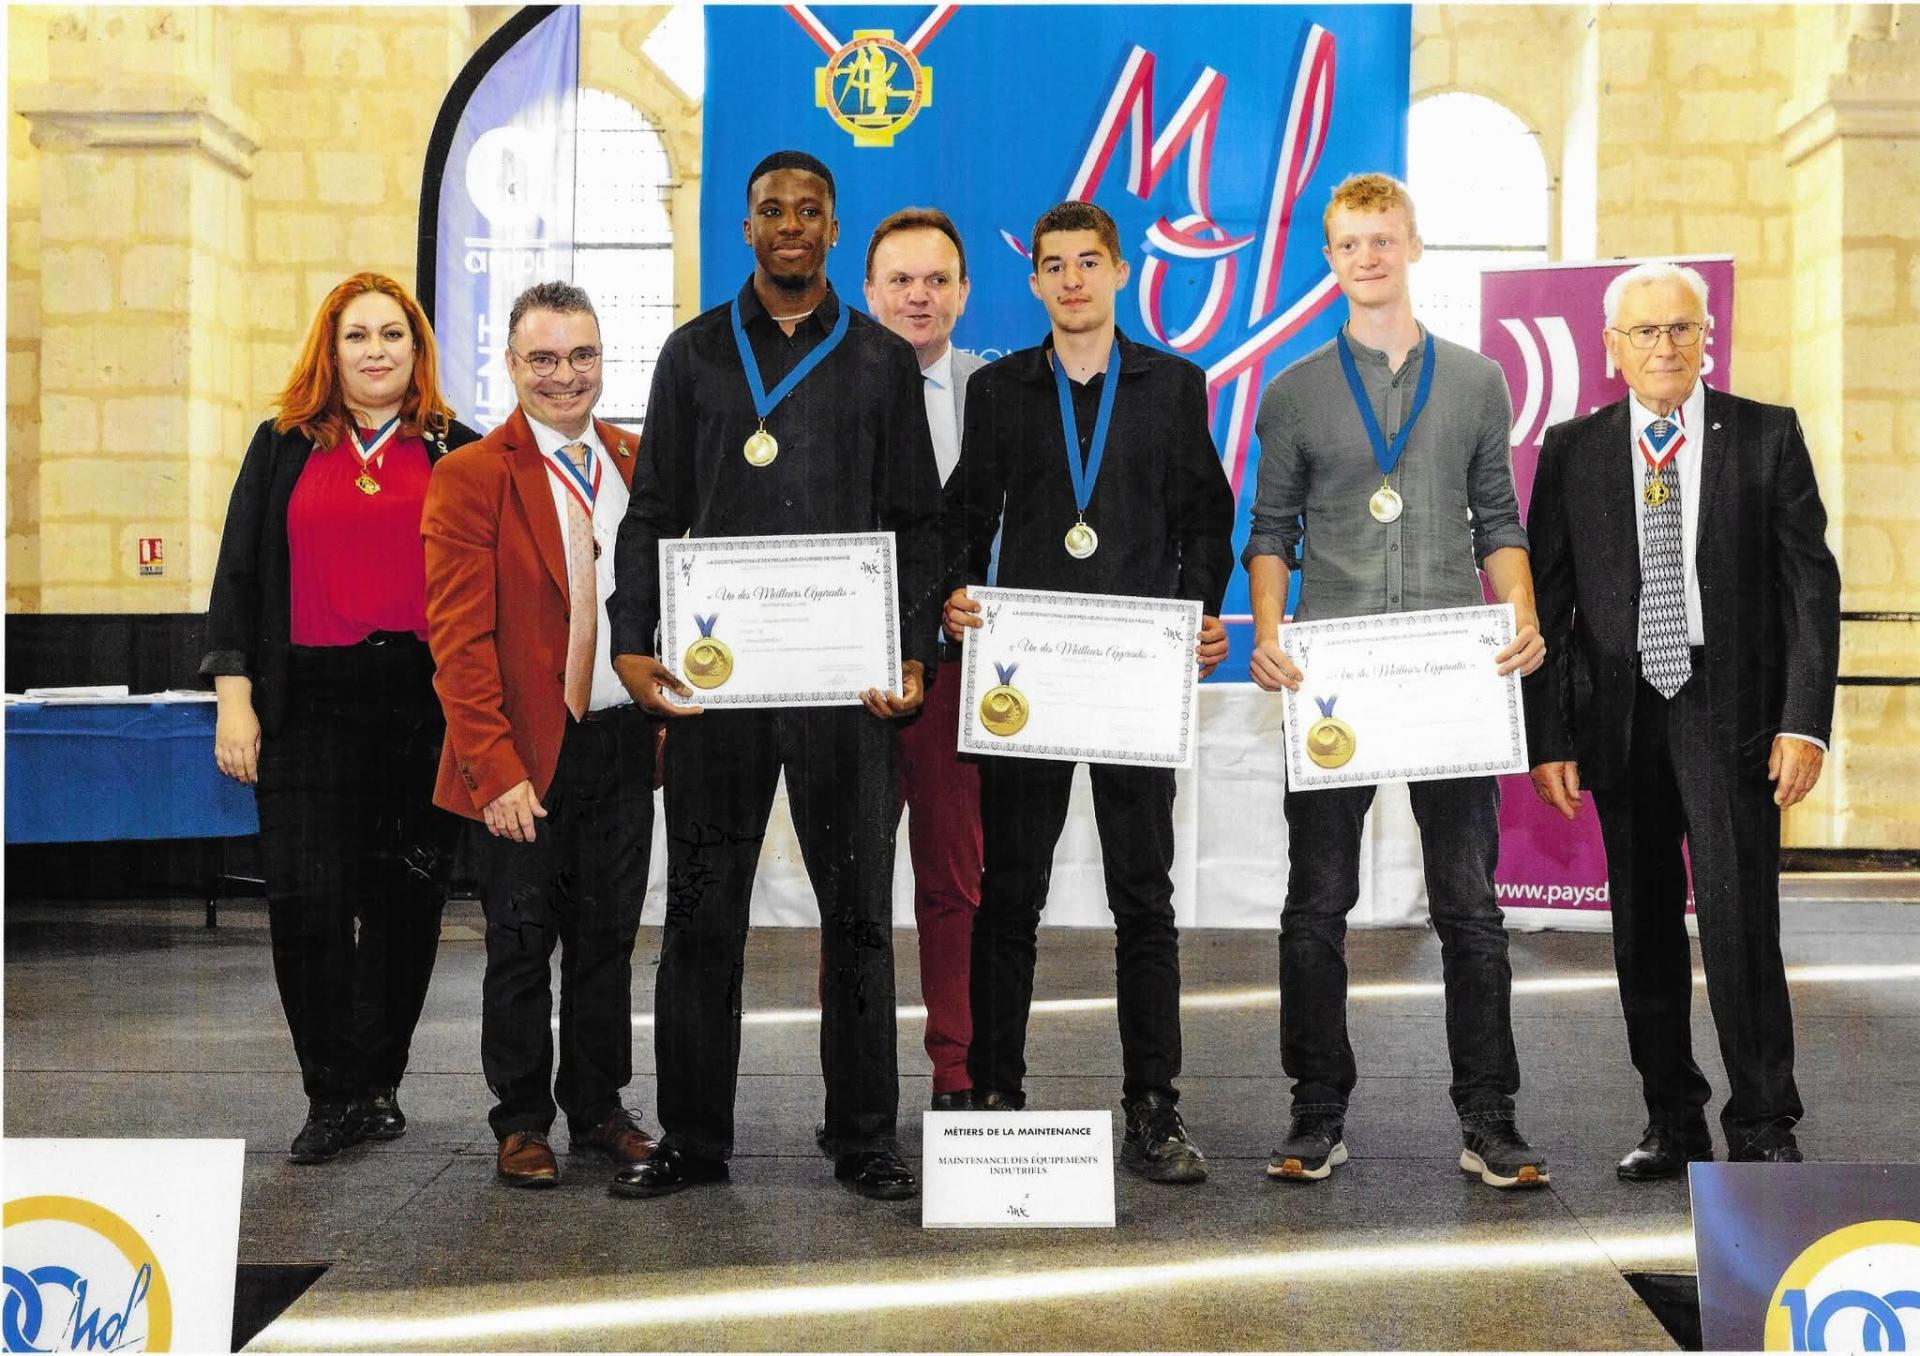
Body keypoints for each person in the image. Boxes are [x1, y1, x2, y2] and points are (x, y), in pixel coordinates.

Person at [606, 150, 945, 1202]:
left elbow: (919, 525)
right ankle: (695, 1140)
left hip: (848, 691)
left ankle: (863, 1138)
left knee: (856, 916)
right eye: (770, 211)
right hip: (724, 685)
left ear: (834, 231)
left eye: (809, 211)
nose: (790, 225)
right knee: (704, 915)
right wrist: (630, 638)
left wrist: (914, 652)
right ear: (745, 228)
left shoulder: (883, 360)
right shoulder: (694, 355)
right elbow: (654, 510)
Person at [1243, 173, 1550, 1189]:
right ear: (1327, 259)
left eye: (1383, 239)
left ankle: (1490, 1118)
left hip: (1448, 678)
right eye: (1348, 244)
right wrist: (1272, 632)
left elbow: (1499, 521)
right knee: (1316, 905)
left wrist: (1527, 614)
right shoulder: (1290, 391)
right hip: (1332, 678)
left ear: (1416, 244)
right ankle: (1316, 1112)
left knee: (1470, 907)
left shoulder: (1476, 380)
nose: (1367, 258)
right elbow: (1270, 531)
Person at [1524, 261, 1840, 1176]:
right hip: (1619, 720)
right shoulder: (1573, 448)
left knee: (1743, 925)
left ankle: (1764, 1122)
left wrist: (1804, 721)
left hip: (1731, 712)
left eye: (1681, 329)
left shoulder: (1766, 437)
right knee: (1643, 929)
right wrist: (1549, 735)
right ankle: (1672, 1119)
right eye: (1645, 332)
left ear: (1707, 337)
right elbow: (1549, 598)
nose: (1665, 346)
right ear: (1612, 347)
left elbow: (1808, 590)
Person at [943, 200, 1234, 1184]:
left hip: (1131, 681)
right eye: (1054, 265)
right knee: (1008, 898)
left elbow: (1207, 519)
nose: (1072, 280)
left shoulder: (1170, 385)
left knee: (1142, 899)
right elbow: (964, 519)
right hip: (1027, 681)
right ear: (1033, 281)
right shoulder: (1001, 391)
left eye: (1088, 263)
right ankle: (994, 1094)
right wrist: (950, 596)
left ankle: (1153, 1108)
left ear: (1119, 271)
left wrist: (1196, 612)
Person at [203, 272, 479, 1164]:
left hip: (417, 706)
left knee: (407, 904)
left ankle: (378, 1086)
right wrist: (235, 701)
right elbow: (238, 578)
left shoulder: (454, 450)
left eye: (392, 335)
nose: (375, 351)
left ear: (417, 349)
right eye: (357, 335)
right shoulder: (281, 445)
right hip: (306, 706)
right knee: (308, 904)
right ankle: (330, 1093)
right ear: (332, 349)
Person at [422, 281, 660, 1191]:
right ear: (513, 365)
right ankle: (521, 1121)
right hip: (521, 753)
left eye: (583, 356)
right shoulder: (473, 474)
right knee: (520, 947)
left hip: (619, 742)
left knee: (606, 944)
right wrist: (495, 772)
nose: (566, 375)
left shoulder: (639, 463)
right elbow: (458, 642)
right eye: (545, 358)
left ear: (604, 361)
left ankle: (598, 1107)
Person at [863, 206, 985, 1111]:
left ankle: (958, 1069)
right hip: (854, 680)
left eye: (937, 279)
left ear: (964, 293)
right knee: (853, 884)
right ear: (869, 294)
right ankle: (853, 1079)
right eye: (901, 280)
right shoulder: (825, 393)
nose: (919, 295)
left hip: (962, 676)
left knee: (954, 882)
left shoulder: (1003, 395)